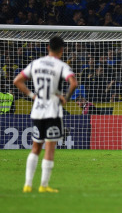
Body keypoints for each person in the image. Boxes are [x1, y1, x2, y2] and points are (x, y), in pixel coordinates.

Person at [14, 36, 78, 193]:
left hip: (37, 109)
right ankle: (43, 185)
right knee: (50, 147)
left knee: (35, 147)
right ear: (62, 50)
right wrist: (66, 99)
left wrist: (32, 95)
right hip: (52, 110)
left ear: (48, 48)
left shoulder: (36, 63)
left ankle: (27, 185)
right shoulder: (61, 65)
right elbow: (73, 83)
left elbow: (17, 80)